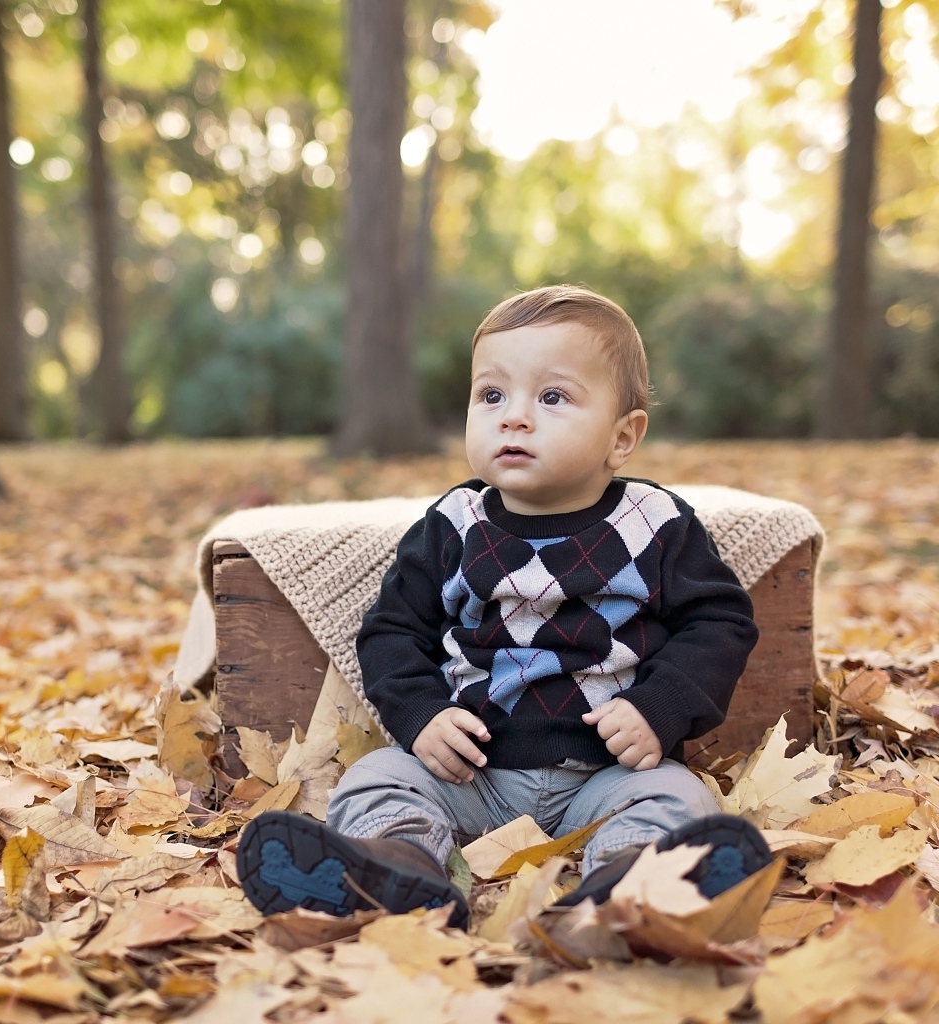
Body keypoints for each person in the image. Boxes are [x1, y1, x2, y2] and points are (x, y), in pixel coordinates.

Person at [237, 285, 771, 929]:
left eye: (553, 397)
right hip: (472, 775)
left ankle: (629, 881)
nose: (513, 418)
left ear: (622, 437)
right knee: (377, 776)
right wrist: (422, 715)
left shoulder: (653, 523)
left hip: (608, 774)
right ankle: (400, 867)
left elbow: (719, 622)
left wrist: (658, 708)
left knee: (677, 797)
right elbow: (391, 631)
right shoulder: (454, 524)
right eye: (491, 395)